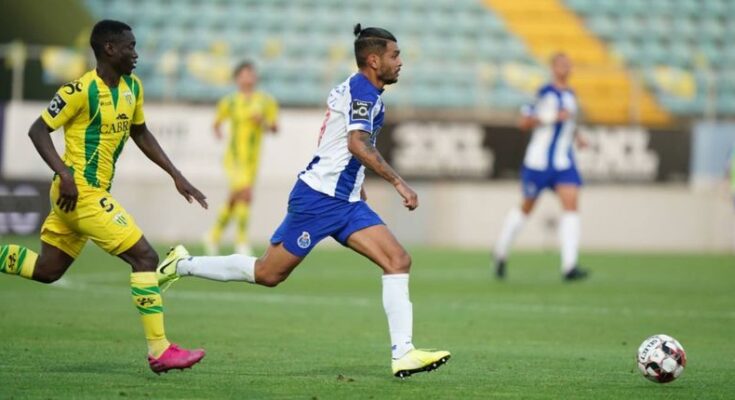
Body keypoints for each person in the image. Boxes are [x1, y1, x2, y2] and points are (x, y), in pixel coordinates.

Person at [156, 24, 450, 378]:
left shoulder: (361, 89)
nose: (400, 62)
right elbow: (356, 143)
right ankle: (182, 264)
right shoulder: (363, 92)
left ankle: (403, 352)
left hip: (346, 200)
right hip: (318, 200)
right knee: (268, 273)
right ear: (373, 59)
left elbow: (337, 138)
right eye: (394, 55)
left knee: (398, 260)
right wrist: (399, 183)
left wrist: (357, 182)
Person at [0, 20, 208, 374]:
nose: (136, 53)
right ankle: (160, 350)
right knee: (145, 257)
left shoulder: (132, 88)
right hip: (79, 192)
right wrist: (65, 174)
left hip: (83, 195)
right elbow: (38, 130)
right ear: (110, 49)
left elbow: (140, 133)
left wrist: (176, 175)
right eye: (130, 46)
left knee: (49, 270)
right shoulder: (79, 90)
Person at [493, 53, 589, 281]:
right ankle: (500, 251)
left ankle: (569, 265)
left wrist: (578, 136)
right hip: (539, 163)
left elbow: (568, 122)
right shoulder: (544, 94)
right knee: (526, 208)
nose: (565, 68)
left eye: (568, 64)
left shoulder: (571, 95)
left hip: (563, 162)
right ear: (553, 68)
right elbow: (524, 122)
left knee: (571, 205)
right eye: (560, 64)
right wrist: (552, 117)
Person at [204, 62, 278, 256]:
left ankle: (213, 236)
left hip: (253, 160)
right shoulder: (229, 101)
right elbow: (216, 124)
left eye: (251, 74)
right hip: (234, 158)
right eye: (244, 74)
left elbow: (274, 127)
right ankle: (242, 241)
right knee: (245, 194)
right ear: (237, 78)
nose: (248, 78)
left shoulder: (266, 101)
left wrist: (262, 121)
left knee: (236, 198)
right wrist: (218, 133)